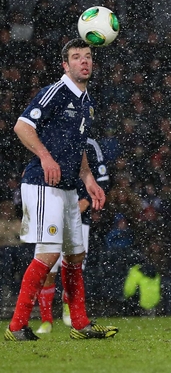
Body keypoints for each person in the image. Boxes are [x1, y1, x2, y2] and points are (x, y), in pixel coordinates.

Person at [5, 38, 118, 341]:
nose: (84, 61)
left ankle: (80, 325)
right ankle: (16, 326)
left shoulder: (85, 100)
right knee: (48, 254)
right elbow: (21, 126)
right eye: (77, 57)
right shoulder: (56, 92)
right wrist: (44, 156)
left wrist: (88, 178)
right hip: (43, 185)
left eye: (88, 56)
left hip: (69, 187)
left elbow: (78, 145)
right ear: (65, 65)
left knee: (76, 255)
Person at [36, 137, 111, 334]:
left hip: (78, 216)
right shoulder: (48, 136)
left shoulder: (90, 143)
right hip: (51, 207)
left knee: (73, 266)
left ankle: (70, 310)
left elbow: (102, 177)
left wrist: (84, 203)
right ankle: (46, 320)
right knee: (48, 266)